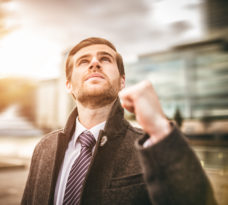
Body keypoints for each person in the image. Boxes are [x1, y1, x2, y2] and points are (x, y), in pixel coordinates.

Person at [21, 37, 217, 205]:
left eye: (105, 59)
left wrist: (160, 129)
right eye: (83, 61)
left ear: (122, 81)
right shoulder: (44, 148)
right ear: (68, 85)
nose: (95, 63)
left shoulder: (149, 147)